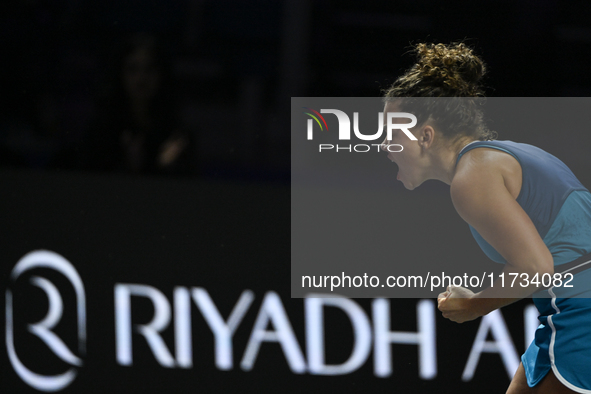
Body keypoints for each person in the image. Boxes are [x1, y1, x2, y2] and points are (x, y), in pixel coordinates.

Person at [380, 42, 591, 393]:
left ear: (425, 136)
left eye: (390, 134)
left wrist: (474, 305)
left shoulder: (471, 177)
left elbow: (536, 268)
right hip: (566, 314)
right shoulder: (508, 155)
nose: (383, 145)